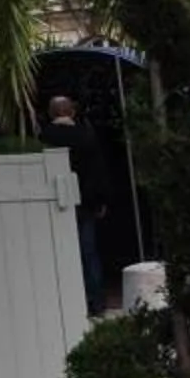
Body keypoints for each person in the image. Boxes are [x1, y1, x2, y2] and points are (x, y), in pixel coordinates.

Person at [40, 94, 116, 312]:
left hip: (52, 204)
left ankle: (67, 302)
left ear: (50, 113)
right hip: (85, 203)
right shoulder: (86, 136)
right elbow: (98, 172)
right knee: (88, 252)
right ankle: (96, 301)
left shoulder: (44, 138)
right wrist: (101, 200)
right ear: (72, 112)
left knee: (58, 253)